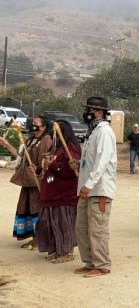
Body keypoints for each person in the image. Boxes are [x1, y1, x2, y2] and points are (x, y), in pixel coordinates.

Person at [74, 97, 117, 277]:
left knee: (97, 228)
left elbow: (101, 162)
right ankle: (90, 261)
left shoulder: (104, 132)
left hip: (98, 189)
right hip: (87, 188)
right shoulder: (92, 132)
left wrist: (89, 184)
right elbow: (91, 161)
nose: (88, 113)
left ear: (99, 112)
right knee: (82, 227)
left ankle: (102, 264)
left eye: (91, 109)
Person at [0, 117, 53, 250]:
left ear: (43, 127)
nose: (32, 125)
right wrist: (6, 144)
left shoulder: (46, 140)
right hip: (27, 180)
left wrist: (38, 170)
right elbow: (20, 157)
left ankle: (40, 238)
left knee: (37, 208)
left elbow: (45, 161)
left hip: (37, 181)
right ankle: (34, 237)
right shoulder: (30, 139)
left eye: (36, 123)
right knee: (27, 207)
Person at [35, 120, 81, 263]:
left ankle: (66, 252)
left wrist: (53, 164)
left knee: (63, 224)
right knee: (51, 223)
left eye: (56, 131)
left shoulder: (71, 148)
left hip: (64, 194)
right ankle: (57, 250)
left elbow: (70, 170)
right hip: (53, 192)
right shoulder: (58, 148)